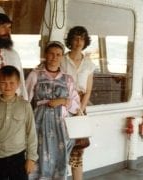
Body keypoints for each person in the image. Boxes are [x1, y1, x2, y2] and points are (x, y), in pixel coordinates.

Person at [26, 41, 80, 179]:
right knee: (39, 153)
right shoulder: (35, 74)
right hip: (40, 121)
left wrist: (62, 101)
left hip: (61, 124)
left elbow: (76, 105)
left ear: (62, 57)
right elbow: (24, 98)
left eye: (58, 54)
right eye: (51, 53)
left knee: (59, 156)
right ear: (45, 55)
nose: (54, 57)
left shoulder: (67, 78)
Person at [0, 65, 38, 180]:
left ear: (18, 83)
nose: (7, 86)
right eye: (3, 82)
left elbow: (31, 134)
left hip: (19, 158)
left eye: (11, 82)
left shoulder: (25, 106)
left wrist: (31, 158)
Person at [61, 26, 96, 180]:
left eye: (82, 38)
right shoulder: (61, 60)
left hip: (79, 111)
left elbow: (87, 91)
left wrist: (80, 110)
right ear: (70, 40)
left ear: (85, 41)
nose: (78, 42)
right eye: (75, 38)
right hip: (62, 108)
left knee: (77, 152)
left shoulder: (89, 64)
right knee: (59, 148)